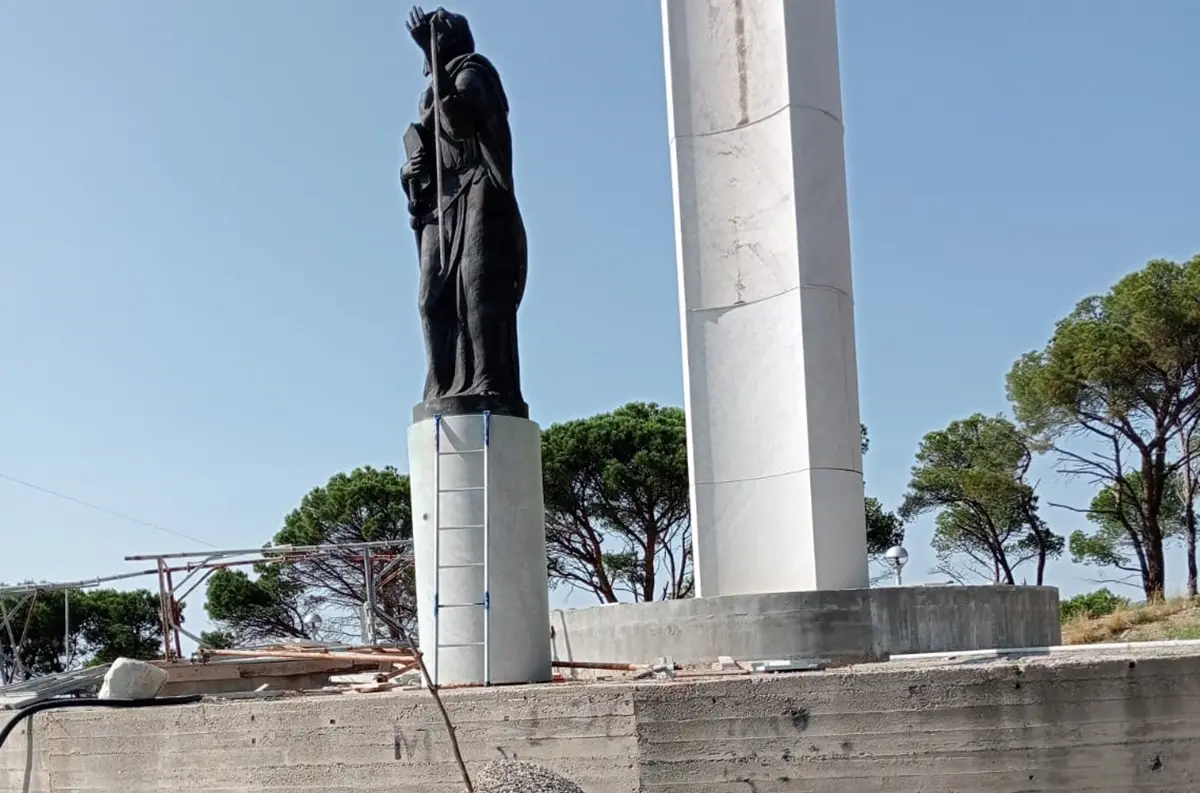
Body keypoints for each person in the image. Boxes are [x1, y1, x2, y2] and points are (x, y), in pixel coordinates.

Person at [400, 6, 528, 419]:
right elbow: (430, 150)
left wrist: (436, 62)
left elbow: (459, 125)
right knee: (429, 300)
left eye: (434, 39)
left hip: (479, 188)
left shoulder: (474, 72)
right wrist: (409, 172)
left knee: (478, 290)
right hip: (442, 202)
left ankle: (489, 379)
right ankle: (440, 382)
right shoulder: (427, 95)